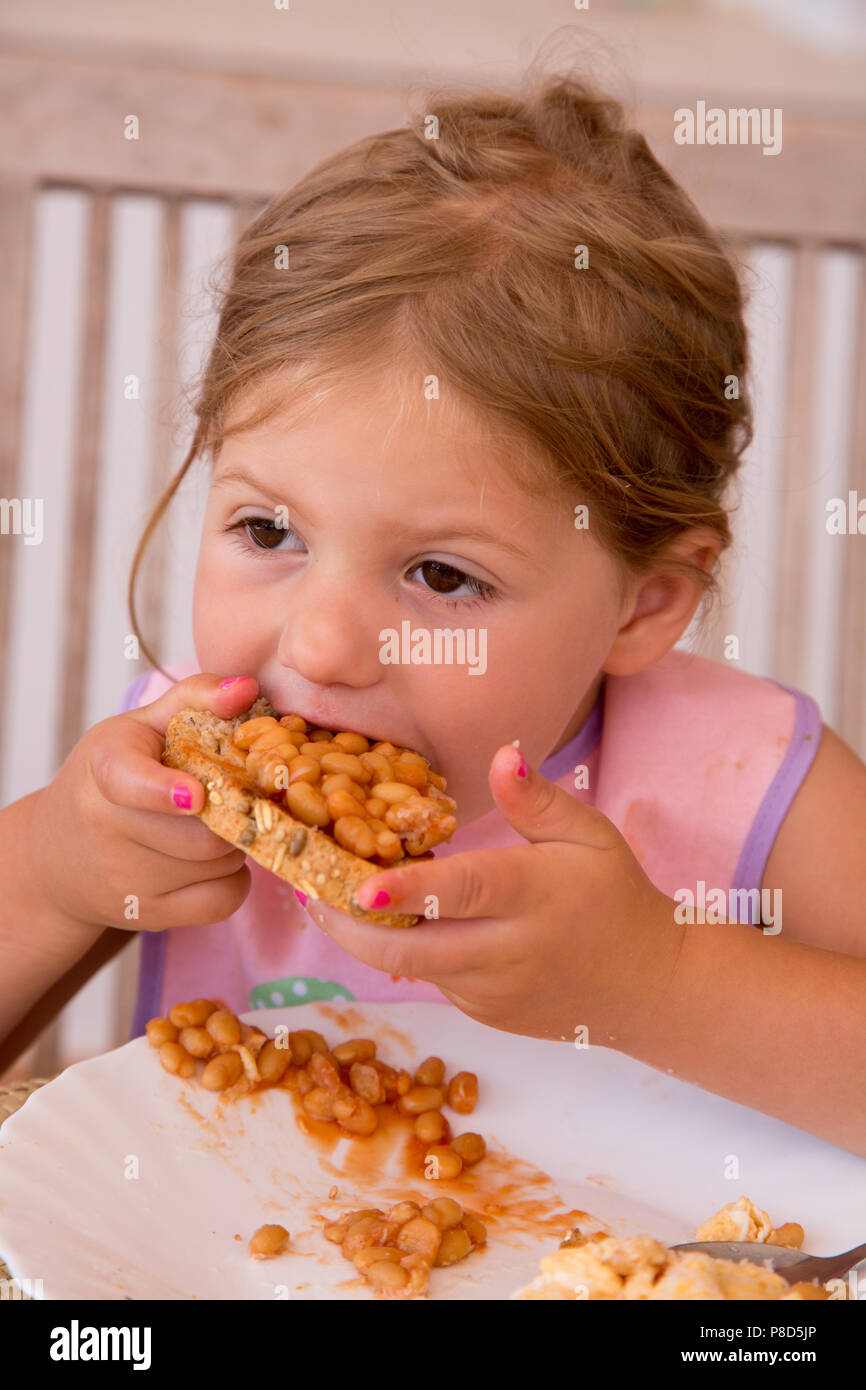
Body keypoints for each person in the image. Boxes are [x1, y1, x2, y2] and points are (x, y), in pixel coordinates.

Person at [2, 73, 865, 1155]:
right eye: (268, 533)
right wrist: (47, 871)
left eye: (442, 578)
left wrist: (660, 979)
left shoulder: (747, 781)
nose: (318, 644)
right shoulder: (177, 784)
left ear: (643, 604)